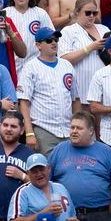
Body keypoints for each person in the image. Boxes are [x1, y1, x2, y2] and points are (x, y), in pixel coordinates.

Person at [48, 111, 111, 221]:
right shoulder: (60, 149)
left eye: (79, 128)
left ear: (91, 131)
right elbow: (46, 182)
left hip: (98, 216)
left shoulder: (105, 151)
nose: (74, 131)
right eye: (72, 127)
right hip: (67, 215)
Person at [18, 27, 80, 155]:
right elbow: (24, 102)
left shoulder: (66, 65)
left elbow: (75, 99)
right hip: (44, 130)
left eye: (56, 39)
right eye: (49, 40)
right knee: (48, 171)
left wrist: (77, 126)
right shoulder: (30, 67)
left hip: (68, 129)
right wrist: (29, 133)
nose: (54, 43)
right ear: (38, 45)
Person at [8, 151, 77, 221]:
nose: (39, 174)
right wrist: (44, 213)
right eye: (34, 171)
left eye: (41, 169)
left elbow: (72, 216)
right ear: (28, 173)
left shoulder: (61, 188)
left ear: (48, 169)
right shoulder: (23, 192)